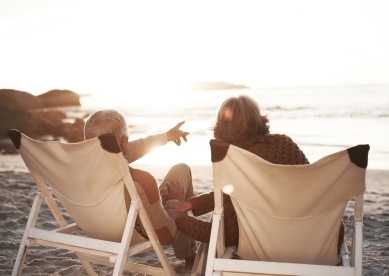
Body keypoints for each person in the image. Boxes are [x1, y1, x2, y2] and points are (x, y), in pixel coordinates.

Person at [166, 95, 345, 255]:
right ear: (258, 120)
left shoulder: (236, 165)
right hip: (323, 239)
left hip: (270, 247)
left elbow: (226, 235)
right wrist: (190, 204)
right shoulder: (285, 145)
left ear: (221, 128)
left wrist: (180, 220)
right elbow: (229, 195)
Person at [84, 109, 196, 273]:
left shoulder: (78, 166)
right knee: (181, 171)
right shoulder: (141, 181)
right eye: (126, 143)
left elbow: (137, 147)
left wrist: (166, 136)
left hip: (94, 226)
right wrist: (175, 205)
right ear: (124, 143)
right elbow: (165, 235)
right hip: (136, 228)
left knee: (172, 189)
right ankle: (190, 259)